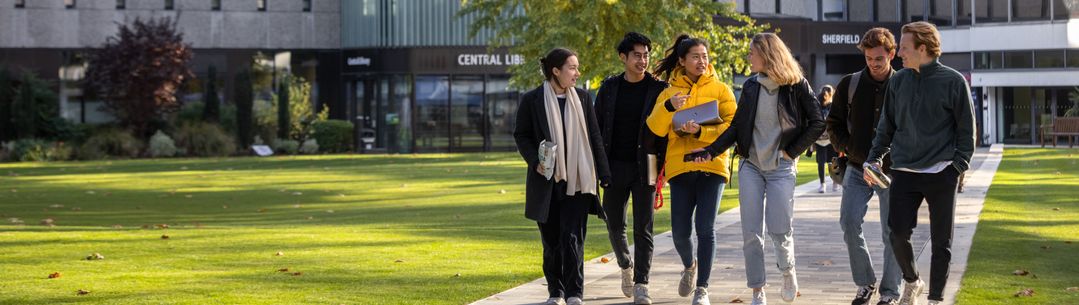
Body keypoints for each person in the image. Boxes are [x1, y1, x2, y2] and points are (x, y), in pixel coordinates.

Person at [693, 32, 825, 305]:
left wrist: (791, 151)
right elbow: (737, 127)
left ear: (767, 54)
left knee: (779, 229)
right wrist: (710, 151)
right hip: (751, 165)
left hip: (781, 167)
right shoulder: (751, 86)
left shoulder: (796, 85)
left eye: (752, 52)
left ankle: (787, 270)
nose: (748, 57)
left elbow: (817, 123)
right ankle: (758, 290)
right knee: (751, 233)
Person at [864, 22, 976, 305]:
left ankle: (935, 298)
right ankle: (913, 281)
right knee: (897, 233)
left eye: (903, 47)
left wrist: (957, 167)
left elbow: (966, 131)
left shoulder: (953, 82)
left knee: (942, 242)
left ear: (922, 48)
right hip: (903, 171)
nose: (898, 52)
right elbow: (885, 127)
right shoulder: (898, 81)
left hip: (941, 172)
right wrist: (874, 158)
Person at [513, 47, 612, 305]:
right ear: (555, 71)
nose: (577, 73)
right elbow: (521, 135)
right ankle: (555, 291)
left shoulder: (582, 98)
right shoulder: (532, 100)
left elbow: (594, 137)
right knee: (552, 240)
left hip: (579, 179)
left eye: (577, 68)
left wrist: (604, 174)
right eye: (572, 68)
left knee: (573, 238)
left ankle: (574, 293)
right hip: (547, 180)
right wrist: (535, 161)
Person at [644, 34, 737, 305]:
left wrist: (701, 131)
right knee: (680, 232)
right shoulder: (668, 92)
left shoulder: (721, 89)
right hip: (680, 167)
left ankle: (703, 289)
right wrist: (669, 107)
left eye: (705, 56)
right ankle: (689, 265)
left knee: (706, 228)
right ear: (682, 61)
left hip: (713, 165)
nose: (701, 61)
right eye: (695, 57)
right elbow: (654, 128)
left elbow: (733, 127)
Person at [826, 27, 903, 305]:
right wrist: (847, 147)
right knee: (848, 222)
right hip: (858, 168)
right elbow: (833, 123)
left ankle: (890, 293)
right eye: (869, 58)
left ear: (892, 54)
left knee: (892, 232)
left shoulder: (904, 85)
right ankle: (865, 283)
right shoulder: (850, 84)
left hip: (892, 171)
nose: (873, 64)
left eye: (879, 59)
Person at [594, 32, 668, 305]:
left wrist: (664, 166)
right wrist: (599, 165)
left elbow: (666, 131)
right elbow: (597, 127)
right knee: (613, 222)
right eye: (637, 55)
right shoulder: (609, 88)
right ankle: (626, 265)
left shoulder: (659, 89)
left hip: (647, 164)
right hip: (613, 165)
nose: (643, 60)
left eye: (646, 54)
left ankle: (641, 284)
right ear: (623, 57)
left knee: (644, 227)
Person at [810, 85, 838, 193]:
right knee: (824, 162)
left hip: (830, 139)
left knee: (832, 161)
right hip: (820, 139)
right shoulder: (817, 105)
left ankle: (832, 183)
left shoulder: (834, 106)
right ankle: (824, 184)